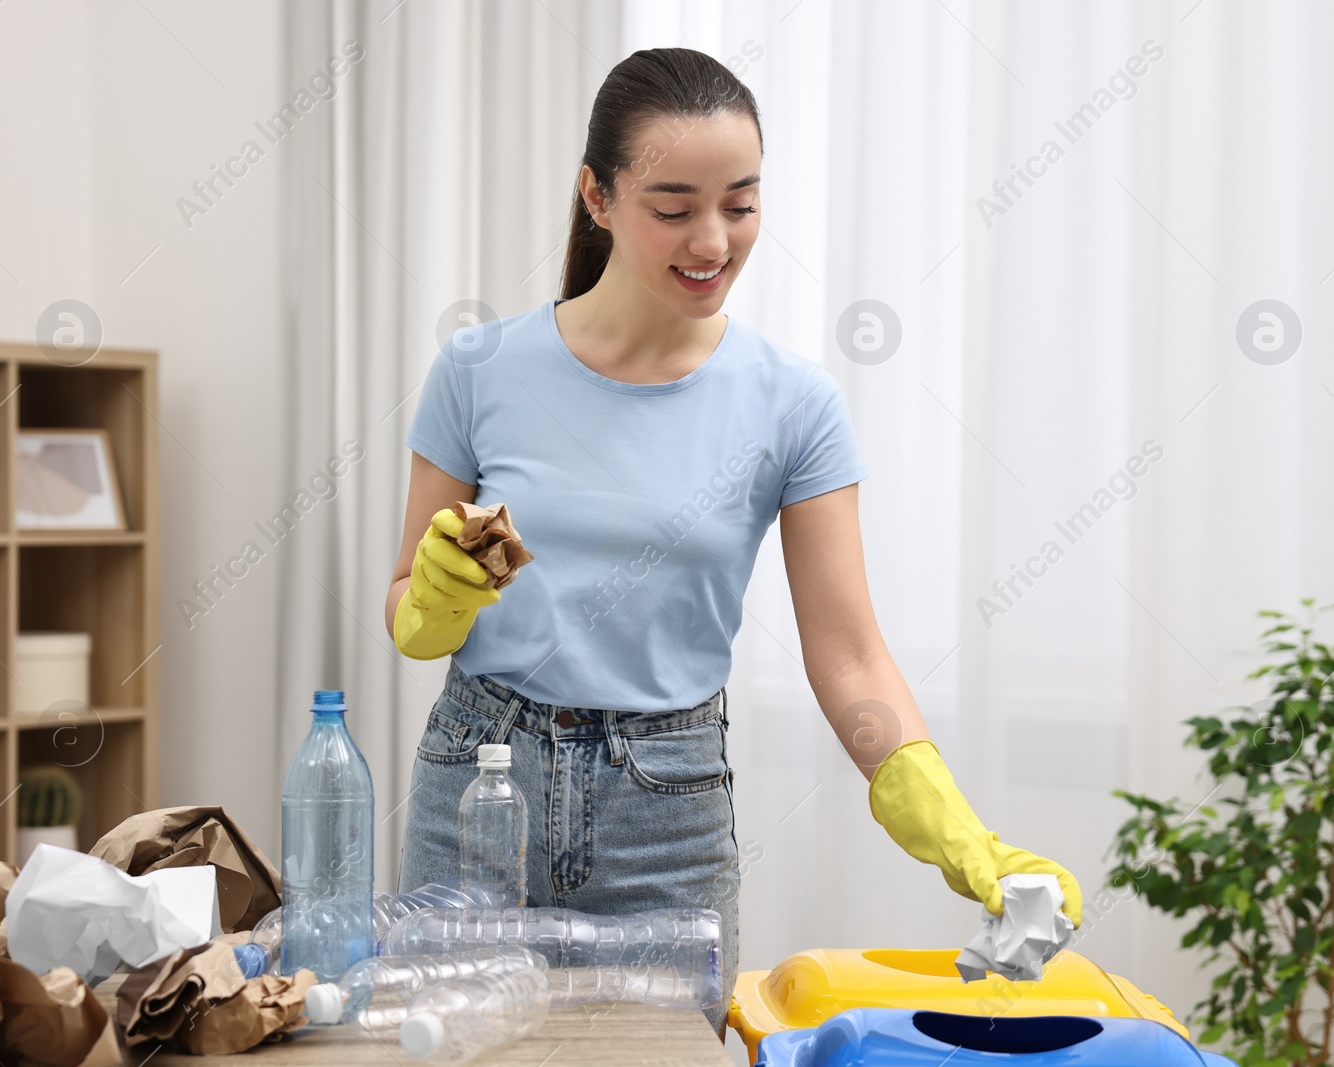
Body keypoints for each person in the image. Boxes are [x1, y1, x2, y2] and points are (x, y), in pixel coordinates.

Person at [384, 46, 1082, 1041]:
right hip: (477, 785)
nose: (712, 238)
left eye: (740, 203)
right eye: (673, 206)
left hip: (666, 818)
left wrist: (967, 841)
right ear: (598, 196)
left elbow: (848, 657)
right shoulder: (477, 368)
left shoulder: (791, 403)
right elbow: (405, 614)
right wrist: (437, 596)